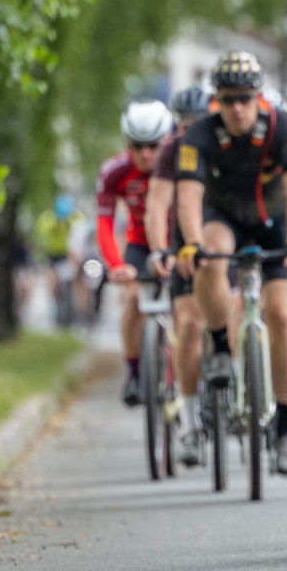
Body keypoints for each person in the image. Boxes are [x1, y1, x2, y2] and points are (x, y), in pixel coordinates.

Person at [173, 51, 287, 470]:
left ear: (258, 97)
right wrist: (192, 243)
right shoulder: (199, 134)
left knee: (282, 315)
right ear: (217, 100)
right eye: (228, 100)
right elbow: (189, 195)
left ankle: (286, 430)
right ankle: (218, 343)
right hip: (224, 219)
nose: (237, 108)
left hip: (274, 223)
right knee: (210, 254)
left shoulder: (283, 127)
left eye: (245, 99)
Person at [143, 82, 214, 465]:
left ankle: (244, 381)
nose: (191, 128)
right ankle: (189, 423)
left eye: (197, 120)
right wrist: (159, 249)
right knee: (188, 325)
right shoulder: (172, 150)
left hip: (227, 239)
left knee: (237, 309)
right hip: (186, 243)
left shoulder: (226, 140)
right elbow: (157, 205)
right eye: (184, 122)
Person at [96, 100, 175, 407]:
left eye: (154, 146)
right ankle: (134, 372)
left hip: (178, 241)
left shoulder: (182, 162)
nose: (146, 155)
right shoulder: (114, 171)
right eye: (137, 146)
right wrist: (116, 264)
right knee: (132, 299)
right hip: (140, 244)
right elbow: (104, 222)